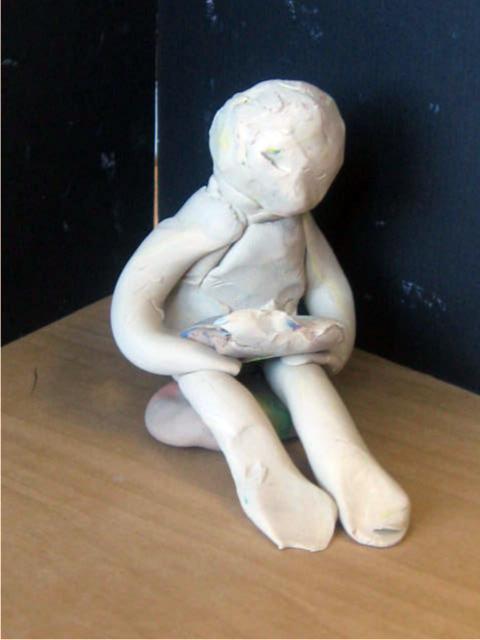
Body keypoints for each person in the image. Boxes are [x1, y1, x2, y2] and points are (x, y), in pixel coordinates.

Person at [111, 80, 410, 551]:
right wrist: (185, 356)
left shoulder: (298, 224)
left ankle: (354, 475)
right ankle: (272, 482)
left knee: (307, 382)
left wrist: (334, 340)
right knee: (227, 405)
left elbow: (328, 285)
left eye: (320, 168)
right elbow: (132, 308)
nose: (302, 183)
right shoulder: (202, 221)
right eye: (276, 158)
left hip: (277, 334)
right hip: (202, 343)